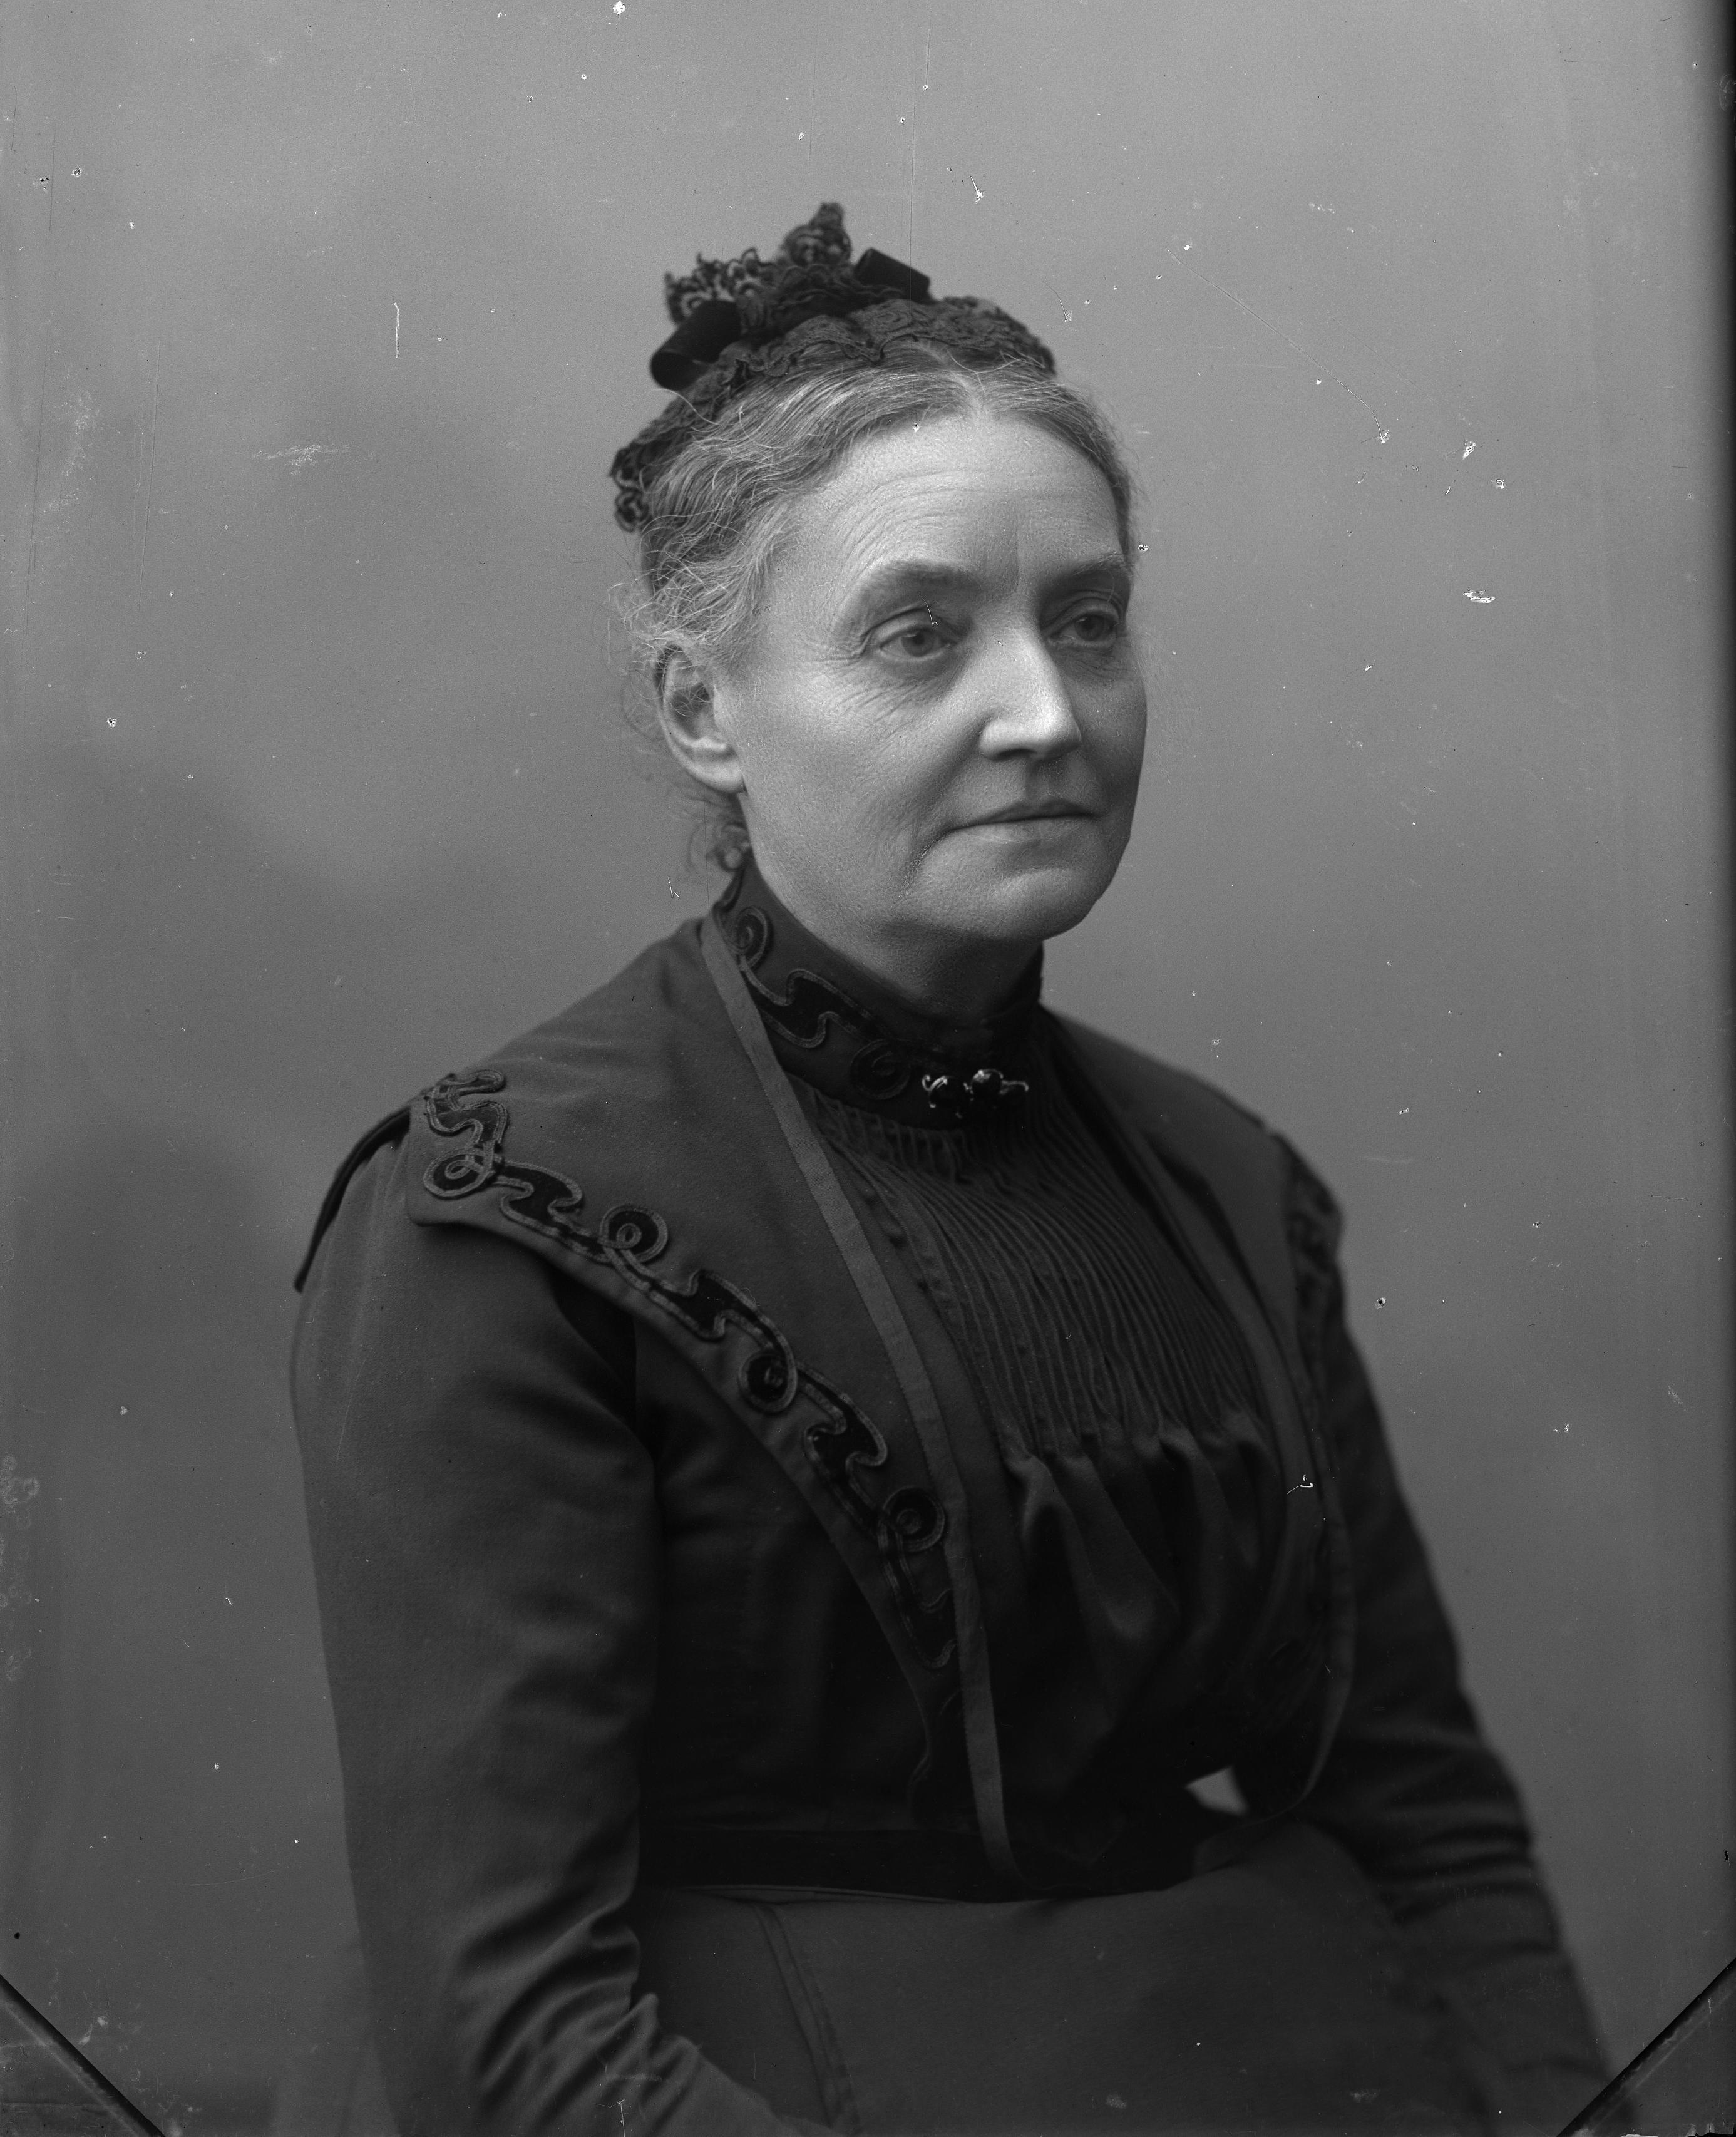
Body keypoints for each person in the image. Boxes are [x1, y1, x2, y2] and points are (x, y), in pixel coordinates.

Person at [290, 205, 1606, 2136]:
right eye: (920, 636)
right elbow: (513, 2031)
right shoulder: (506, 1216)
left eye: (1089, 620)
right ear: (704, 710)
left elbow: (1427, 1820)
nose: (1047, 714)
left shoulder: (1226, 1190)